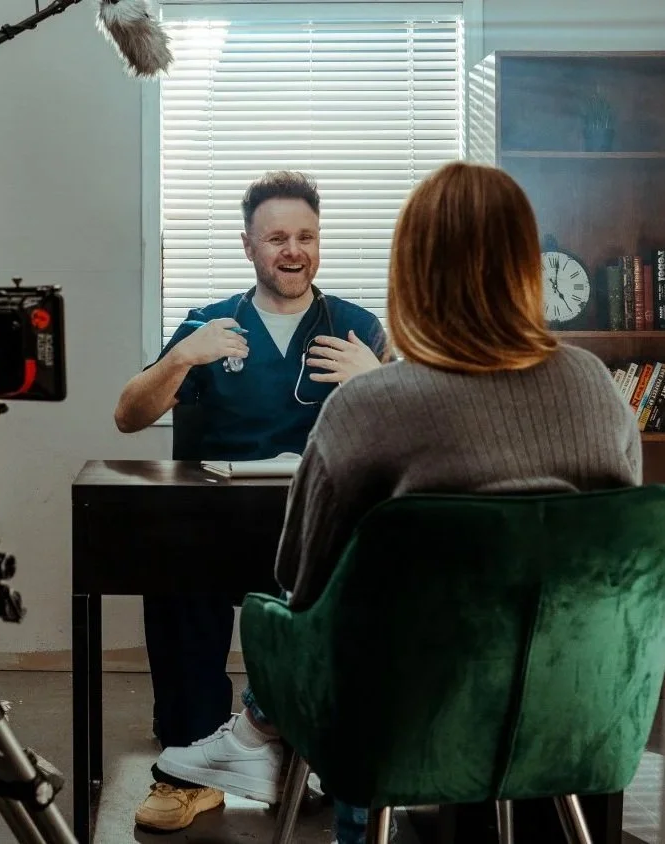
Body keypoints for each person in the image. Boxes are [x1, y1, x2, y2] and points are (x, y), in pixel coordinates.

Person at [156, 161, 643, 844]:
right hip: (577, 706)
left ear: (412, 270)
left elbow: (301, 579)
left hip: (412, 707)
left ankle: (259, 732)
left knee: (346, 623)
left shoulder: (373, 401)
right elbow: (618, 547)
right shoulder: (598, 387)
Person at [114, 170, 389, 832]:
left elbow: (402, 436)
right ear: (248, 246)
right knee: (176, 577)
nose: (293, 251)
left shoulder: (355, 327)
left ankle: (309, 751)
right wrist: (181, 358)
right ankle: (189, 770)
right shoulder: (208, 324)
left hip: (317, 530)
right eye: (276, 238)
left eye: (305, 237)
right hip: (217, 525)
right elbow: (129, 415)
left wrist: (377, 380)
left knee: (366, 582)